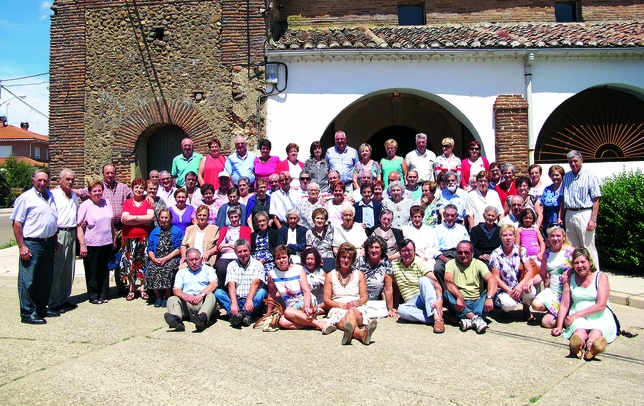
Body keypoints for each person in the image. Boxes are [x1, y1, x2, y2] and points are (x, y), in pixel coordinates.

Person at [11, 169, 59, 324]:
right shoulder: (26, 198)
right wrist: (21, 246)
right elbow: (17, 223)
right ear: (33, 181)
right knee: (28, 279)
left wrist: (55, 240)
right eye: (39, 180)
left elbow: (52, 220)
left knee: (45, 278)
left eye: (45, 180)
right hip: (32, 243)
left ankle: (40, 307)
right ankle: (27, 312)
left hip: (48, 242)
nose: (42, 183)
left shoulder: (50, 196)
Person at [551, 248, 617, 360]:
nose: (580, 265)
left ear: (590, 262)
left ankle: (592, 348)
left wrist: (575, 316)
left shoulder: (601, 277)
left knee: (596, 331)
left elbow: (601, 306)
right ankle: (577, 346)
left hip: (598, 314)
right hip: (577, 312)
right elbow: (564, 304)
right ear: (573, 265)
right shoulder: (570, 279)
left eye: (583, 262)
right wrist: (559, 325)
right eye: (576, 263)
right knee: (579, 330)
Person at [78, 163, 132, 295]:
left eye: (112, 173)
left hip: (120, 227)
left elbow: (136, 194)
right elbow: (81, 192)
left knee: (121, 257)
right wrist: (64, 190)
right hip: (101, 232)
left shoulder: (122, 187)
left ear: (115, 173)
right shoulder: (98, 187)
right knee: (102, 263)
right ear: (103, 174)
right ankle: (101, 291)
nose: (110, 175)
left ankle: (121, 286)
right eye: (107, 173)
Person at [322, 242, 378, 345]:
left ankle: (350, 333)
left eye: (349, 258)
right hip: (338, 309)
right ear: (338, 257)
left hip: (356, 309)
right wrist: (340, 305)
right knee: (346, 317)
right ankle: (361, 334)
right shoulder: (330, 276)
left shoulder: (359, 274)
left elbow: (365, 297)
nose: (346, 260)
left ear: (352, 260)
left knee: (351, 312)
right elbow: (326, 300)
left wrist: (357, 302)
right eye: (343, 257)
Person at [392, 238, 445, 333]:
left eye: (409, 250)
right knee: (401, 310)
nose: (407, 253)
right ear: (399, 252)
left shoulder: (420, 262)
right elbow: (395, 287)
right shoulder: (394, 265)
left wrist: (440, 298)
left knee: (424, 280)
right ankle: (439, 316)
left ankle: (438, 319)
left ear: (414, 251)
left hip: (424, 297)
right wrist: (394, 307)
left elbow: (436, 282)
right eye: (404, 251)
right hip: (412, 303)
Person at [444, 241, 497, 334]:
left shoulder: (478, 264)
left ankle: (466, 318)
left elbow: (492, 279)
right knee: (447, 293)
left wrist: (489, 298)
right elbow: (448, 280)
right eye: (460, 252)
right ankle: (476, 318)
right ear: (456, 253)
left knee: (493, 291)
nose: (463, 255)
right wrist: (459, 297)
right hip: (459, 303)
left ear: (472, 252)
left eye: (466, 252)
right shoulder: (451, 264)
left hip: (477, 302)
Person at [559, 150, 602, 266]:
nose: (573, 164)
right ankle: (575, 273)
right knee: (572, 247)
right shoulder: (566, 177)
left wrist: (593, 219)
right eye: (570, 162)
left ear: (581, 160)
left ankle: (594, 274)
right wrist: (560, 217)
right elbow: (563, 199)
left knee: (588, 246)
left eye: (575, 161)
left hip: (584, 213)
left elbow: (596, 199)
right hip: (569, 214)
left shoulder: (590, 176)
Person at [266, 245, 323, 330]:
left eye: (284, 257)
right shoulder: (272, 274)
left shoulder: (298, 269)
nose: (281, 260)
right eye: (278, 258)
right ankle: (314, 323)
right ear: (274, 260)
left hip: (307, 302)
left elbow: (306, 290)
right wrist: (268, 314)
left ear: (289, 258)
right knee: (282, 322)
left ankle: (319, 325)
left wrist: (307, 306)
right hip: (292, 309)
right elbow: (271, 295)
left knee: (287, 312)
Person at [77, 178, 115, 305]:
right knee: (92, 271)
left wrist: (113, 238)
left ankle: (103, 294)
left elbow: (111, 223)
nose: (98, 193)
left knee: (104, 270)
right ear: (89, 192)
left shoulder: (107, 203)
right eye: (94, 191)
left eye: (100, 190)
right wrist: (82, 245)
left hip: (106, 242)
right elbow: (79, 226)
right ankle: (93, 295)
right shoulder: (86, 205)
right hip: (92, 243)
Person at [215, 239, 268, 327]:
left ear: (250, 250)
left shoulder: (257, 264)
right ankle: (243, 315)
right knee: (218, 292)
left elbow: (255, 283)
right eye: (239, 252)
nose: (243, 254)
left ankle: (239, 315)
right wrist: (234, 303)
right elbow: (231, 285)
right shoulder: (231, 265)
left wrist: (249, 300)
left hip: (253, 301)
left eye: (245, 251)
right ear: (235, 253)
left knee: (262, 292)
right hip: (237, 300)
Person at [490, 224, 538, 320]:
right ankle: (505, 311)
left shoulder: (522, 250)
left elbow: (530, 271)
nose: (508, 238)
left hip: (520, 285)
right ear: (500, 238)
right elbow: (496, 277)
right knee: (508, 304)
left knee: (531, 291)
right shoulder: (496, 254)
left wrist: (519, 287)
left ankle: (525, 308)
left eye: (510, 235)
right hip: (505, 288)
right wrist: (508, 290)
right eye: (505, 235)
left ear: (515, 237)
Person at [164, 248, 219, 332]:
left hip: (203, 303)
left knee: (211, 296)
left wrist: (201, 295)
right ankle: (178, 322)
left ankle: (201, 320)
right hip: (187, 304)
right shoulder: (181, 273)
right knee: (172, 299)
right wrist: (185, 296)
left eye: (196, 259)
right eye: (191, 260)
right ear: (186, 261)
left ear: (201, 259)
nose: (194, 262)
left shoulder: (208, 270)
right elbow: (176, 290)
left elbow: (214, 284)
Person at [531, 226, 574, 328]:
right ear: (548, 238)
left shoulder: (571, 251)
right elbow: (542, 274)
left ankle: (565, 314)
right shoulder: (547, 253)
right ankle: (562, 316)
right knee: (536, 304)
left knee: (546, 322)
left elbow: (583, 269)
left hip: (568, 293)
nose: (555, 239)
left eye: (558, 236)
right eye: (552, 236)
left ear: (564, 237)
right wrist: (530, 281)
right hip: (553, 291)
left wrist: (570, 271)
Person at [120, 178, 155, 301]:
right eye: (136, 187)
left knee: (143, 262)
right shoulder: (127, 202)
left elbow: (150, 218)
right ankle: (131, 289)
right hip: (128, 238)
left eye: (141, 188)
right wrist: (141, 219)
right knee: (130, 263)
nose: (139, 190)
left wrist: (133, 218)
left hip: (143, 237)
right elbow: (124, 219)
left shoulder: (147, 202)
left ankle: (143, 288)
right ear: (132, 188)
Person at [50, 168, 79, 313]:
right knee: (57, 268)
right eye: (67, 179)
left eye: (72, 179)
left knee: (69, 267)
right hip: (59, 233)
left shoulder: (73, 195)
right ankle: (53, 301)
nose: (70, 182)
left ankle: (64, 298)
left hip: (72, 232)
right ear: (59, 180)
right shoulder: (53, 195)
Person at [146, 209, 183, 308]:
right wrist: (153, 259)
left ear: (171, 219)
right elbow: (150, 248)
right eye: (162, 217)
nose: (164, 219)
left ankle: (167, 296)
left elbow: (178, 249)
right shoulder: (155, 232)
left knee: (167, 269)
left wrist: (165, 259)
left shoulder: (177, 231)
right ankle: (158, 296)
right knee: (150, 269)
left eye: (166, 217)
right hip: (156, 258)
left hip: (171, 258)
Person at [353, 235, 396, 319]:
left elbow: (388, 289)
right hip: (356, 300)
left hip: (373, 303)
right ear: (367, 250)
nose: (374, 250)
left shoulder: (386, 264)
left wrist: (390, 308)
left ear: (381, 250)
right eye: (371, 247)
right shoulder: (359, 262)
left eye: (377, 247)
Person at [433, 204, 470, 287]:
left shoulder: (461, 228)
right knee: (437, 269)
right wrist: (445, 259)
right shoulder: (438, 229)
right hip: (443, 255)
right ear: (444, 215)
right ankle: (446, 293)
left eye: (452, 215)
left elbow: (468, 244)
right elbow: (435, 248)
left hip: (460, 254)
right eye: (447, 215)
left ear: (456, 216)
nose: (450, 218)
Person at [214, 206, 252, 286]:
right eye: (231, 217)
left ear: (240, 217)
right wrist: (235, 246)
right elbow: (220, 247)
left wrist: (227, 245)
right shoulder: (223, 230)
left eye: (236, 217)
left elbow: (247, 246)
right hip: (225, 257)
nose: (234, 219)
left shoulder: (246, 230)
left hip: (240, 257)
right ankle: (224, 290)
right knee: (222, 269)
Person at [536, 165, 565, 232]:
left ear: (562, 175)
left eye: (557, 175)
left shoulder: (565, 189)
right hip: (548, 220)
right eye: (552, 175)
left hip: (562, 220)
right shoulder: (547, 189)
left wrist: (560, 218)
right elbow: (542, 205)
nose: (555, 177)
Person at [306, 207, 335, 272]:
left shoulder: (330, 230)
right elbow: (309, 248)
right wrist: (316, 259)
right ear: (313, 220)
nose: (319, 220)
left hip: (328, 258)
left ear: (325, 220)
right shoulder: (309, 232)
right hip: (315, 259)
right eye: (317, 218)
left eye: (322, 219)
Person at [250, 211, 278, 276]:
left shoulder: (274, 233)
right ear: (257, 223)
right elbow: (252, 251)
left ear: (267, 221)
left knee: (268, 273)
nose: (262, 223)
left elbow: (276, 250)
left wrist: (265, 259)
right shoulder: (253, 235)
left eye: (263, 220)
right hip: (255, 260)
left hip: (269, 260)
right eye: (259, 221)